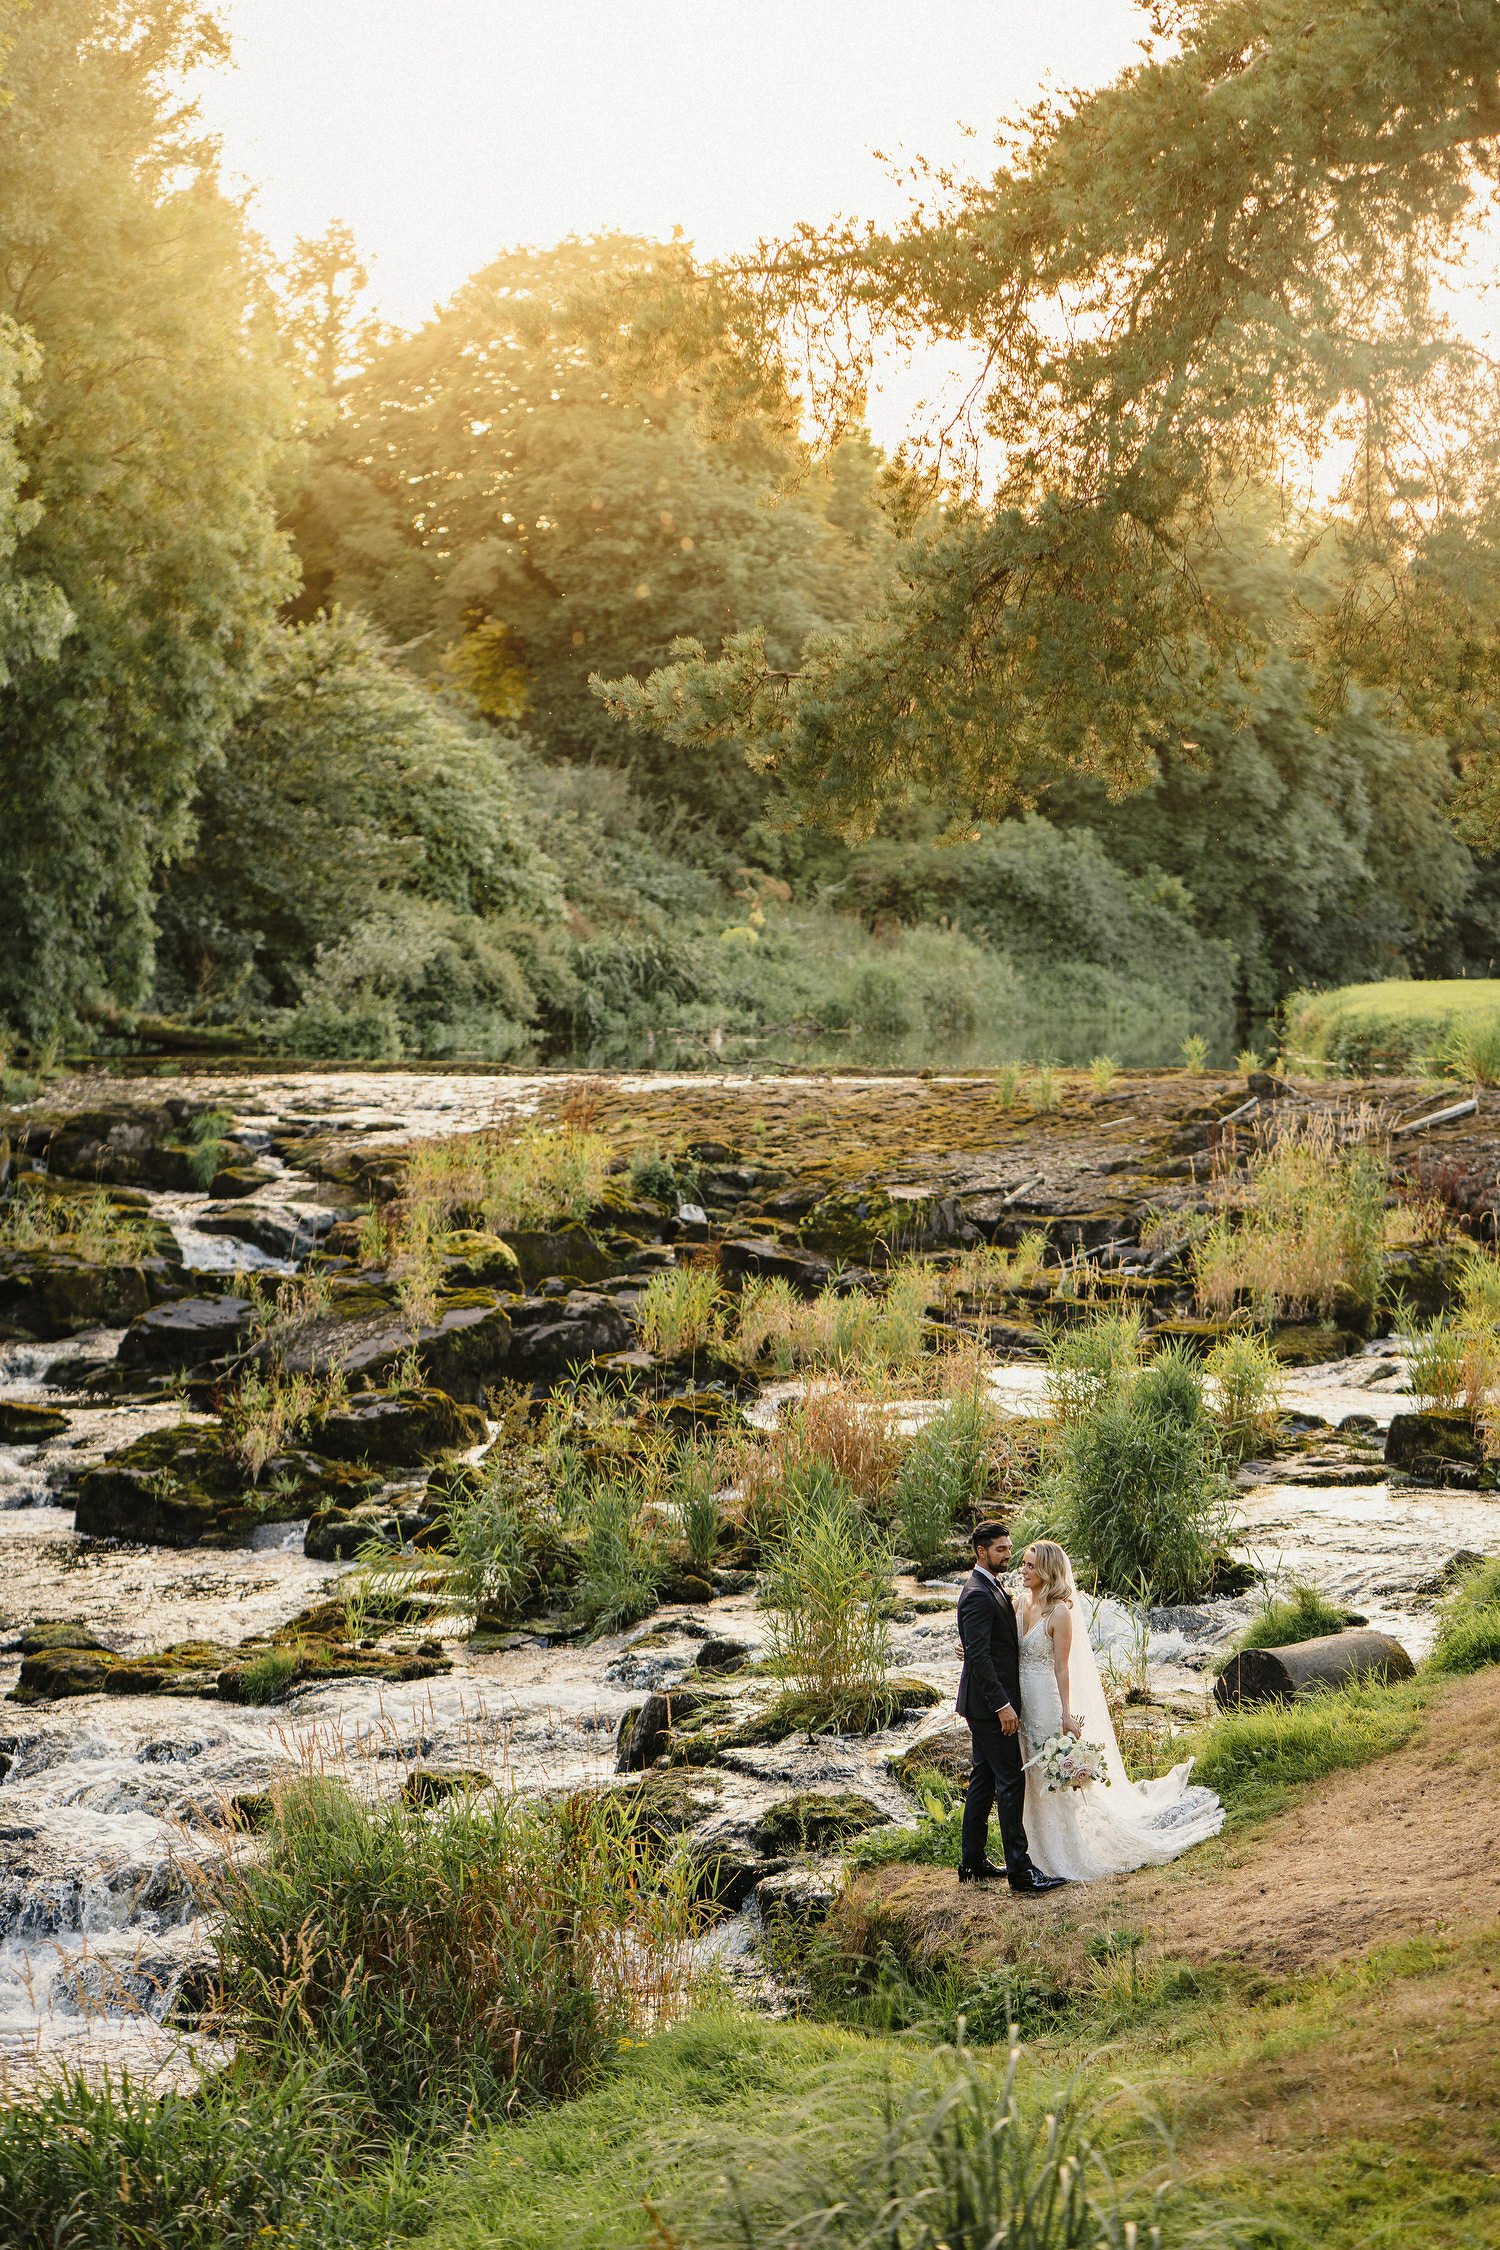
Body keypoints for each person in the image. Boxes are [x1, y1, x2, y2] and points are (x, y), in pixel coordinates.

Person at [1015, 1538, 1225, 1880]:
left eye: (1029, 1565)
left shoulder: (1060, 1613)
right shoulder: (1020, 1603)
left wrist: (1067, 1713)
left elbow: (1062, 1668)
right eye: (1023, 1563)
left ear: (1047, 1572)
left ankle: (1063, 1851)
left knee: (1050, 1774)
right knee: (1028, 1775)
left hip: (1045, 1701)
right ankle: (1030, 1850)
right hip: (1022, 1700)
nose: (1022, 1570)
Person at [955, 1519, 1068, 1892]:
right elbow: (981, 1657)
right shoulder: (976, 1592)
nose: (1009, 1555)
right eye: (1001, 1549)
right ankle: (1020, 1871)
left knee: (983, 1781)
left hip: (986, 1703)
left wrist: (971, 1652)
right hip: (990, 1707)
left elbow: (984, 1646)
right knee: (1010, 1780)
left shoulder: (993, 1588)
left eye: (1009, 1548)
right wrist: (1003, 1705)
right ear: (981, 1552)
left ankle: (971, 1862)